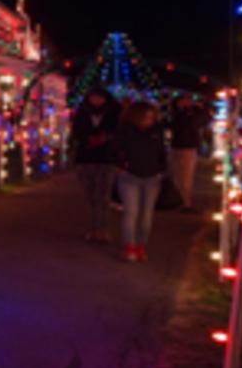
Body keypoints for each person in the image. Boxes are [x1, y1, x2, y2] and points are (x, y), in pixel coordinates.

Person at [111, 101, 167, 262]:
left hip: (152, 177)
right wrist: (122, 166)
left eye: (151, 117)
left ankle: (140, 245)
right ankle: (130, 245)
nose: (149, 120)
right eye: (146, 117)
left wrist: (161, 169)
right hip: (130, 176)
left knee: (146, 215)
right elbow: (114, 151)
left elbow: (161, 151)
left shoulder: (157, 130)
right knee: (131, 212)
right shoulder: (125, 130)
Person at [71, 88, 121, 241]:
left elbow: (119, 133)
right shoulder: (82, 113)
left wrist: (107, 137)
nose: (96, 101)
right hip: (86, 158)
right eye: (94, 97)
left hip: (107, 159)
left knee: (103, 196)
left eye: (100, 98)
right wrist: (87, 139)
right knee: (91, 196)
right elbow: (76, 133)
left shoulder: (114, 114)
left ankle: (103, 229)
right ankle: (93, 227)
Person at [168, 93, 207, 211]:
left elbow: (197, 123)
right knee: (177, 175)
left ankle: (185, 202)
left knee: (185, 176)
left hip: (188, 146)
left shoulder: (192, 113)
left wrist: (198, 109)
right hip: (177, 145)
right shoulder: (176, 113)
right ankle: (178, 200)